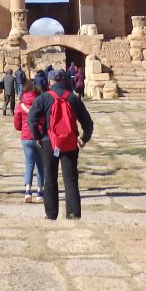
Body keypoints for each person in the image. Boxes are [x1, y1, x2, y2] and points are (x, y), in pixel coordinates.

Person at [28, 69, 94, 220]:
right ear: (64, 81)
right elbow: (88, 123)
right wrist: (84, 138)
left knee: (50, 177)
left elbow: (32, 120)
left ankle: (51, 214)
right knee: (70, 178)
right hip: (70, 142)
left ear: (50, 81)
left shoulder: (43, 98)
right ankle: (73, 213)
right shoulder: (73, 98)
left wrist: (38, 136)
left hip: (49, 142)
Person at [13, 83, 45, 202]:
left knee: (29, 164)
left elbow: (17, 123)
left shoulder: (20, 105)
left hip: (26, 137)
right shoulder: (40, 103)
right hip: (39, 137)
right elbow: (44, 119)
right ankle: (40, 192)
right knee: (41, 165)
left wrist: (21, 128)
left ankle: (28, 191)